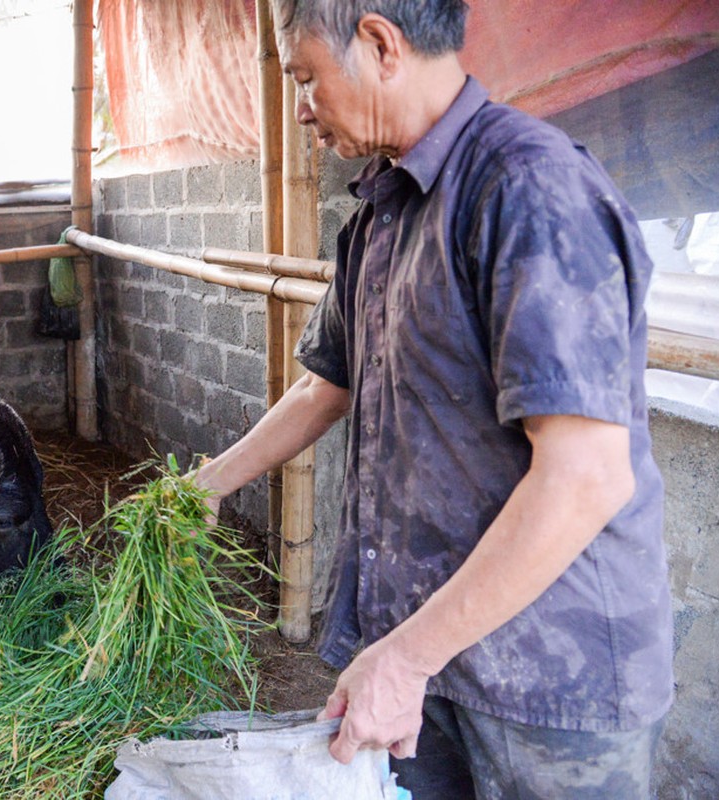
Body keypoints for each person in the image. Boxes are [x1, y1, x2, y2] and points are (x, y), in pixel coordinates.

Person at [191, 1, 674, 797]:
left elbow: (585, 475)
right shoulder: (379, 213)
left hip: (546, 681)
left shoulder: (527, 187)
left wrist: (406, 657)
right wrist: (207, 481)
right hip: (421, 655)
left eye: (306, 77)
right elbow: (324, 385)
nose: (302, 106)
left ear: (379, 43)